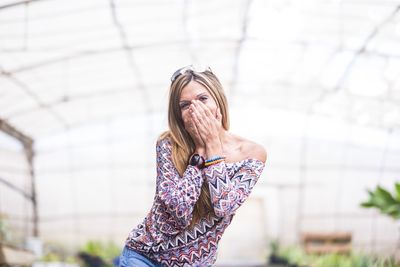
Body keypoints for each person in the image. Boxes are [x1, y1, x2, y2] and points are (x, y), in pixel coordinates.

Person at [119, 65, 267, 267]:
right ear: (178, 114)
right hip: (145, 258)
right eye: (185, 105)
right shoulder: (168, 145)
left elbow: (224, 206)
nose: (195, 109)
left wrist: (213, 147)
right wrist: (199, 153)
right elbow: (177, 212)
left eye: (202, 99)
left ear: (218, 101)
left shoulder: (251, 154)